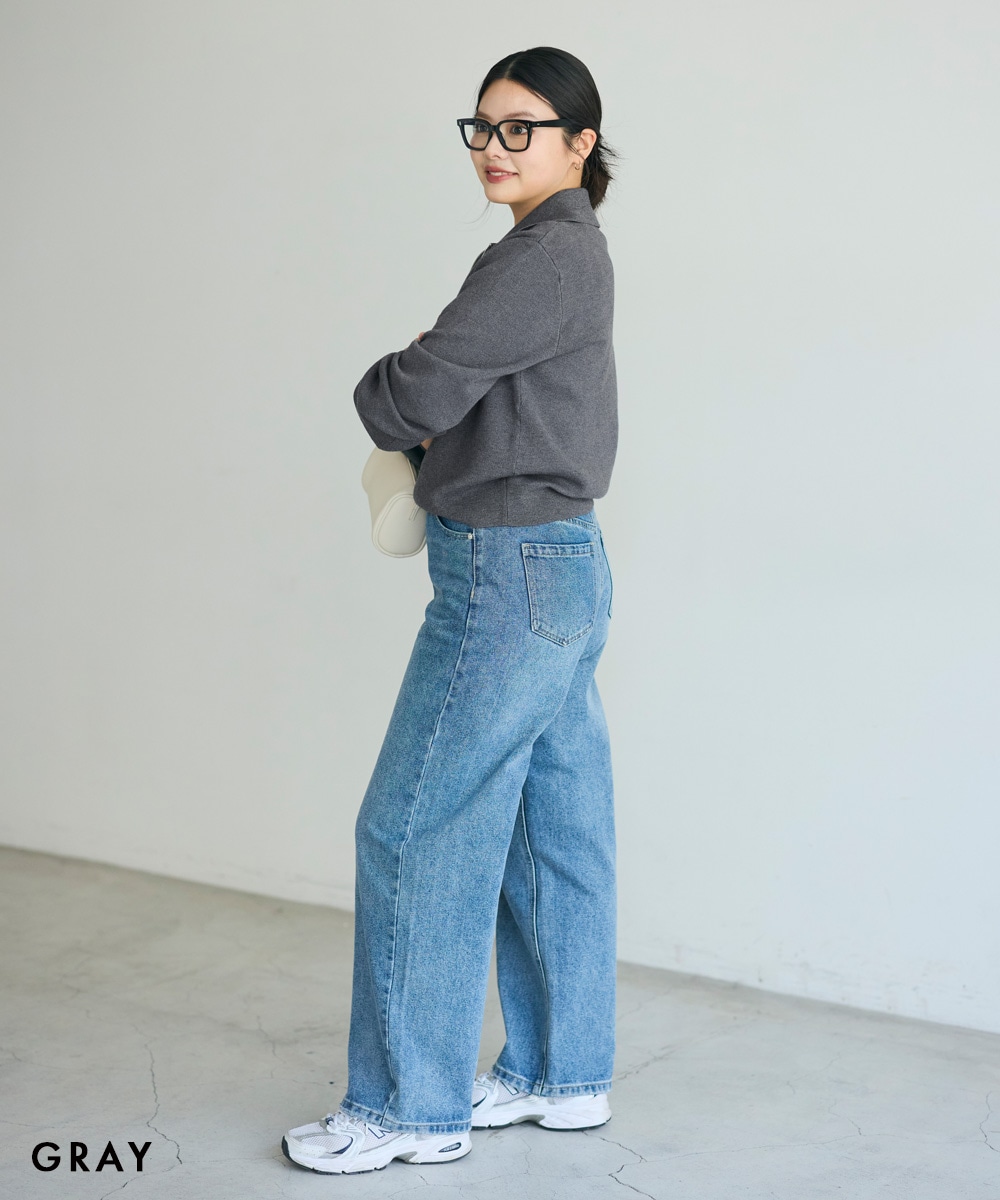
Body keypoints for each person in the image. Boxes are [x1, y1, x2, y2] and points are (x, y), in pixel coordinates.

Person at [282, 45, 620, 1176]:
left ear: (580, 142)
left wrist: (399, 386)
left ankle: (404, 1108)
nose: (493, 148)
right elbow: (460, 392)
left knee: (413, 826)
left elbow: (407, 392)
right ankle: (560, 1074)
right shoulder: (567, 251)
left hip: (506, 573)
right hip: (560, 565)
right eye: (481, 127)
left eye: (522, 127)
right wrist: (438, 398)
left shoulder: (539, 257)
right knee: (549, 831)